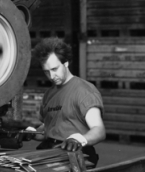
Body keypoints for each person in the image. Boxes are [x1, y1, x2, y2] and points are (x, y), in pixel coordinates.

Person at [26, 37, 105, 167]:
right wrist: (32, 133)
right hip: (49, 152)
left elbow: (99, 130)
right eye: (46, 71)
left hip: (76, 154)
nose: (51, 76)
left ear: (66, 63)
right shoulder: (49, 94)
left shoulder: (84, 91)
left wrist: (79, 139)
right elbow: (49, 129)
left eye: (54, 69)